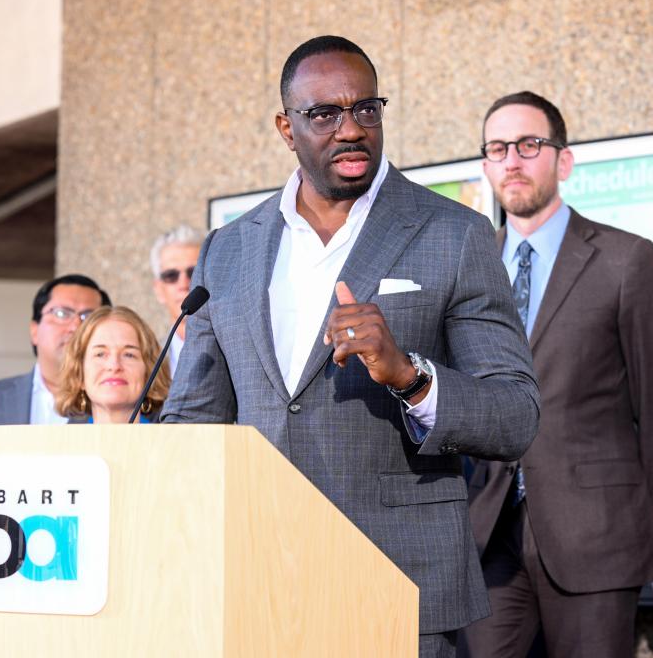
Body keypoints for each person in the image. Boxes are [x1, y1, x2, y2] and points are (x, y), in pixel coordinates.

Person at [161, 36, 539, 658]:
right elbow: (195, 419)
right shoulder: (227, 249)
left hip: (396, 582)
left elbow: (515, 416)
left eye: (367, 109)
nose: (351, 129)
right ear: (287, 127)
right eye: (324, 114)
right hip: (256, 581)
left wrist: (409, 375)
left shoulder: (455, 234)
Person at [460, 91, 653, 657]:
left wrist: (635, 524)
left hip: (598, 537)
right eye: (497, 148)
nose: (512, 160)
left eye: (529, 144)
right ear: (487, 165)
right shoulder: (471, 268)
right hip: (489, 535)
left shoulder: (624, 260)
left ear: (562, 160)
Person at [0, 274, 111, 427]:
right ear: (34, 330)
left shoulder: (122, 406)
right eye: (61, 313)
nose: (75, 326)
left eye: (88, 317)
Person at [55, 306, 170, 424]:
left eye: (129, 355)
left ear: (149, 371)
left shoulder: (174, 441)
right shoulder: (60, 442)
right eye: (100, 354)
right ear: (79, 373)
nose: (114, 366)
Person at [150, 224, 204, 372]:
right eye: (171, 276)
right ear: (159, 290)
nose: (184, 284)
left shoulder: (239, 350)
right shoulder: (147, 360)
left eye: (194, 272)